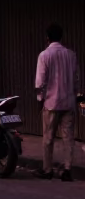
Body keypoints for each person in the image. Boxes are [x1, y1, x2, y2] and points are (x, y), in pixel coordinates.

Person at [35, 23, 81, 181]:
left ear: (47, 38)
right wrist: (74, 95)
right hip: (68, 102)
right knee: (68, 138)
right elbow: (76, 80)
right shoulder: (71, 55)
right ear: (61, 37)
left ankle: (47, 169)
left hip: (51, 102)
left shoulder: (44, 55)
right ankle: (67, 169)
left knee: (48, 138)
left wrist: (40, 99)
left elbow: (40, 82)